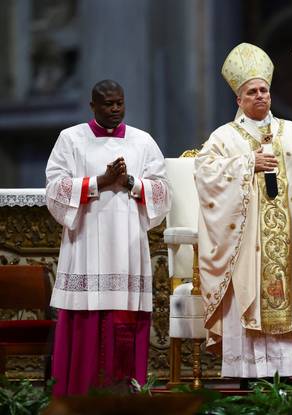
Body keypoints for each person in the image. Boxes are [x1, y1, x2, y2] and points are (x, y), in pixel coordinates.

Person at [194, 43, 292, 380]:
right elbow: (204, 172)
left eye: (264, 90)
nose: (260, 96)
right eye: (252, 91)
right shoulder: (224, 137)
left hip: (291, 243)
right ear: (238, 100)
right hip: (247, 248)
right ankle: (249, 374)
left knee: (291, 291)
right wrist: (247, 164)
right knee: (250, 293)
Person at [45, 80, 171, 395]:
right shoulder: (71, 139)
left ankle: (126, 395)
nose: (115, 109)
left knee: (124, 318)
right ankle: (77, 395)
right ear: (93, 106)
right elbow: (54, 188)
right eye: (107, 104)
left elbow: (163, 191)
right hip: (85, 244)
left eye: (119, 103)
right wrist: (100, 182)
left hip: (127, 247)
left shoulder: (142, 142)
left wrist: (130, 181)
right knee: (85, 324)